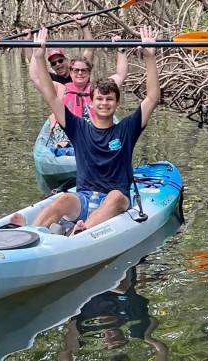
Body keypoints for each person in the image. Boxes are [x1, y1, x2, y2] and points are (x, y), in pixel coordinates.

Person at [13, 25, 159, 236]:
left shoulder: (126, 129)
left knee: (116, 196)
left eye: (109, 99)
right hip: (83, 199)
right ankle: (31, 233)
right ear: (91, 104)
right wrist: (39, 57)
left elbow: (152, 98)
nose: (104, 103)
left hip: (115, 201)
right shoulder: (78, 128)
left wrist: (149, 57)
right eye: (99, 99)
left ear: (117, 104)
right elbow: (51, 96)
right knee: (62, 199)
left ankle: (82, 232)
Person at [43, 15, 94, 85]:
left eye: (60, 61)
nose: (58, 64)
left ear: (67, 60)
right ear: (52, 67)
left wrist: (84, 25)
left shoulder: (80, 72)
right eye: (53, 63)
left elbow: (90, 49)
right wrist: (28, 41)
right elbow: (35, 66)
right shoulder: (52, 79)